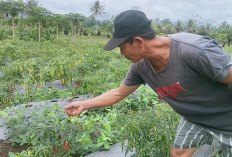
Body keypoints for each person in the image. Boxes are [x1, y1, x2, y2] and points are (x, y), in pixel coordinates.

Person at [64, 10, 232, 157]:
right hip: (195, 118)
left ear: (138, 41)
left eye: (122, 47)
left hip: (226, 120)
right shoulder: (140, 66)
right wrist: (84, 105)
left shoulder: (195, 51)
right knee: (178, 153)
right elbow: (118, 93)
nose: (122, 53)